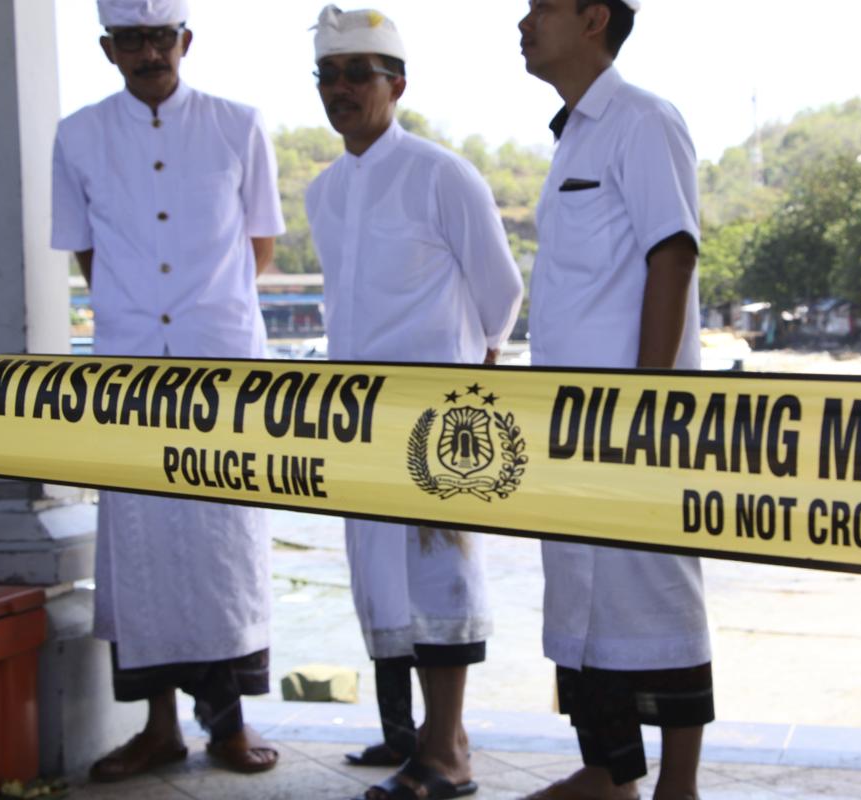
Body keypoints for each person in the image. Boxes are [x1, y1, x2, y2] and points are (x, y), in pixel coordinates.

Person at [50, 0, 285, 780]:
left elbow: (260, 242)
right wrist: (142, 319)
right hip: (129, 368)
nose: (149, 52)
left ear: (186, 41)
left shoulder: (237, 124)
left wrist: (200, 318)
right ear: (107, 49)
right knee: (141, 550)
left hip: (219, 367)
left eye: (161, 37)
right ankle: (159, 729)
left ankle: (230, 726)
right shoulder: (78, 135)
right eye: (131, 40)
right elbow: (85, 250)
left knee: (224, 547)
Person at [304, 6, 524, 799]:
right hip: (357, 418)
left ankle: (449, 750)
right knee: (381, 579)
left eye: (358, 73)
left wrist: (472, 386)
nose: (341, 89)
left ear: (397, 83)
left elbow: (501, 291)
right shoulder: (322, 193)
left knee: (441, 581)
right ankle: (414, 741)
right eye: (328, 75)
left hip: (438, 418)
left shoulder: (442, 173)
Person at [517, 2, 713, 799]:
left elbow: (673, 254)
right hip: (569, 428)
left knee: (657, 597)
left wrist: (646, 403)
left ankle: (678, 787)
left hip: (634, 424)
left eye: (541, 6)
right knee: (584, 612)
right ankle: (607, 777)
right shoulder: (573, 136)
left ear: (594, 16)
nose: (523, 20)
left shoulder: (641, 119)